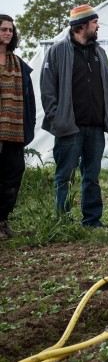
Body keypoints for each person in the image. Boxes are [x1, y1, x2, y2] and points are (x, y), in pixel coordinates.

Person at [41, 4, 108, 228]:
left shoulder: (99, 52)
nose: (98, 26)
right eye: (94, 22)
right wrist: (57, 117)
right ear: (81, 25)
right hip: (69, 126)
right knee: (65, 174)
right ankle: (63, 220)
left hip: (95, 126)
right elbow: (47, 89)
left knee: (92, 175)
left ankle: (92, 220)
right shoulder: (57, 51)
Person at [0, 15, 36, 240]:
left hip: (14, 131)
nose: (7, 33)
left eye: (10, 30)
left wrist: (29, 125)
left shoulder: (19, 64)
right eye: (3, 29)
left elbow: (29, 98)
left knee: (13, 174)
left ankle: (2, 219)